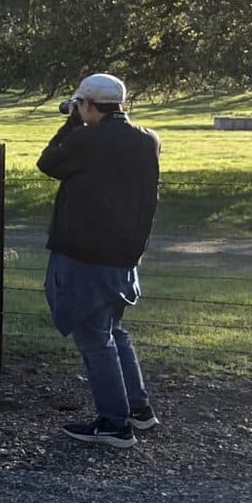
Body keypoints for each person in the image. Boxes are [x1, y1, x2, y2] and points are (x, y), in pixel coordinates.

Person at [38, 72, 161, 448]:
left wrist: (71, 123)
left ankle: (114, 422)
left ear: (88, 104)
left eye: (80, 104)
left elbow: (48, 164)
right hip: (125, 254)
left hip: (85, 254)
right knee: (114, 332)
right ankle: (138, 410)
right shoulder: (147, 140)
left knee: (93, 339)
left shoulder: (86, 140)